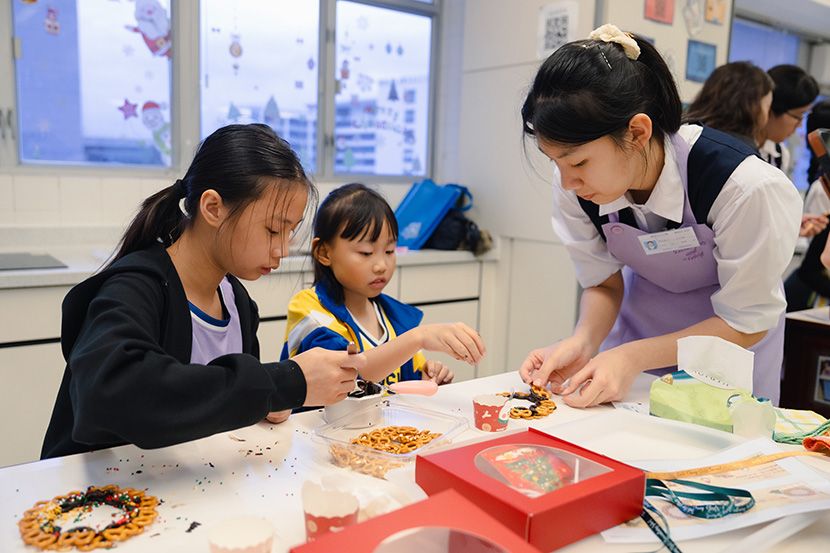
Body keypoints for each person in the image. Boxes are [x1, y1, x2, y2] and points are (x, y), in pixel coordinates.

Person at [42, 124, 366, 459]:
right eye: (272, 230)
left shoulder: (238, 303)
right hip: (100, 483)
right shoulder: (134, 289)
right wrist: (280, 384)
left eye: (290, 232)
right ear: (212, 207)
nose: (282, 250)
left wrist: (264, 402)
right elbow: (114, 395)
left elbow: (219, 402)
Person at [518, 24, 801, 407]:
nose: (567, 182)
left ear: (637, 132)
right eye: (556, 162)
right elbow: (603, 283)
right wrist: (583, 341)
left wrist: (633, 357)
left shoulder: (743, 187)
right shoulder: (577, 186)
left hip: (727, 365)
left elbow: (746, 321)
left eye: (579, 162)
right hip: (633, 358)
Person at [270, 184, 485, 422]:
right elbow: (350, 376)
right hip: (314, 433)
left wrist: (430, 376)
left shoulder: (393, 318)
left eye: (390, 251)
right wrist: (419, 337)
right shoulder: (309, 308)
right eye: (366, 252)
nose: (381, 265)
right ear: (324, 253)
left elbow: (405, 383)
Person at [683, 61, 774, 151]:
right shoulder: (744, 152)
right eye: (767, 106)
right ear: (753, 108)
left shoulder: (686, 132)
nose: (768, 116)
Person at [760, 64, 819, 176]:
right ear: (771, 108)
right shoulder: (735, 150)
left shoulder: (780, 154)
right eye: (798, 116)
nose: (800, 125)